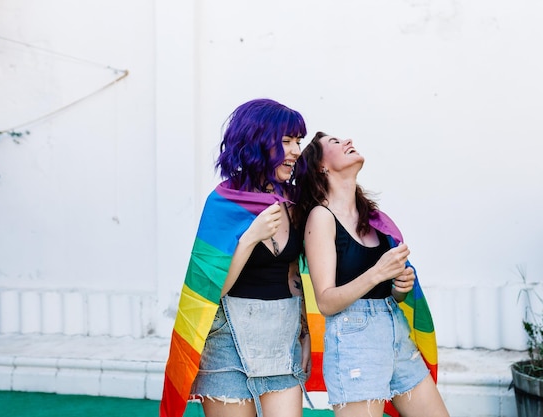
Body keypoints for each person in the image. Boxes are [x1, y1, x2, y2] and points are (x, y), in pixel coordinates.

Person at [160, 99, 312, 417]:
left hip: (280, 337)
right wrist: (250, 238)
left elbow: (297, 275)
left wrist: (305, 334)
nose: (296, 150)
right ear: (255, 141)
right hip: (226, 341)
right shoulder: (223, 202)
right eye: (286, 141)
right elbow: (211, 289)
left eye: (298, 141)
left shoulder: (298, 201)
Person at [293, 132, 449, 417]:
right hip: (354, 341)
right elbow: (326, 302)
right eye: (336, 143)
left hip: (395, 333)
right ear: (320, 167)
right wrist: (378, 272)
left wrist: (400, 286)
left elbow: (387, 291)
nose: (348, 141)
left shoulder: (374, 218)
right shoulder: (321, 218)